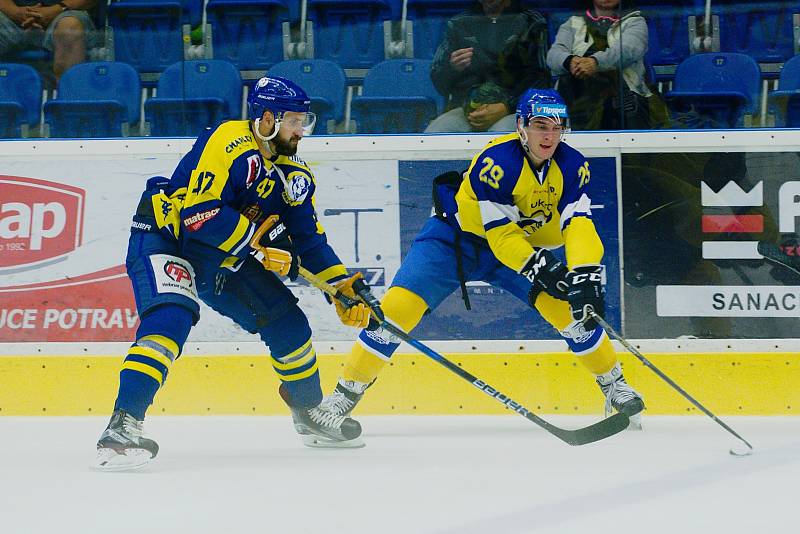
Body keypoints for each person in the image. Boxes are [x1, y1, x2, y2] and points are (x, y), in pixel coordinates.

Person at [321, 89, 645, 433]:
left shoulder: (572, 164)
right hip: (453, 242)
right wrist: (539, 267)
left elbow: (578, 224)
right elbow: (501, 236)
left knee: (574, 313)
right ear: (521, 126)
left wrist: (586, 273)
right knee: (393, 315)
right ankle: (342, 397)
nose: (549, 135)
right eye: (539, 125)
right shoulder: (496, 162)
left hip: (518, 248)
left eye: (557, 126)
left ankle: (614, 386)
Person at [94, 76, 376, 470]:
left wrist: (341, 285)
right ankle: (123, 426)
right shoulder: (229, 141)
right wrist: (258, 245)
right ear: (267, 118)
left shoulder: (294, 175)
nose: (302, 130)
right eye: (295, 120)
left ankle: (310, 413)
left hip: (219, 257)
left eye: (304, 121)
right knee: (170, 321)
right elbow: (199, 212)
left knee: (289, 325)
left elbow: (307, 242)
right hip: (166, 240)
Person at [425, 0, 550, 133]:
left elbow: (542, 78)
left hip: (516, 109)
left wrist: (507, 106)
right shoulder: (459, 23)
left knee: (498, 140)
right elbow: (439, 82)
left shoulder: (531, 22)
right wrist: (451, 68)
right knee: (433, 135)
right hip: (466, 110)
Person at [546, 0, 667, 130]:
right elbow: (553, 56)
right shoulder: (573, 23)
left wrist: (595, 62)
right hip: (578, 99)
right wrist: (569, 61)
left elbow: (628, 51)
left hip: (623, 99)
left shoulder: (635, 21)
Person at [0, 0, 96, 81]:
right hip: (12, 13)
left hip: (67, 10)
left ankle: (67, 97)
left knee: (70, 27)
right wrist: (14, 11)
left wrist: (59, 8)